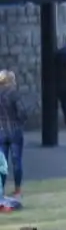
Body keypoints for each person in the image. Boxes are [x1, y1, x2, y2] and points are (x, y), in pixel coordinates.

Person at [0, 70, 25, 199]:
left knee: (2, 163)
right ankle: (17, 190)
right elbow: (22, 112)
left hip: (1, 132)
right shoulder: (14, 94)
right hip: (15, 130)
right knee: (17, 161)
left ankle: (1, 189)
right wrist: (21, 122)